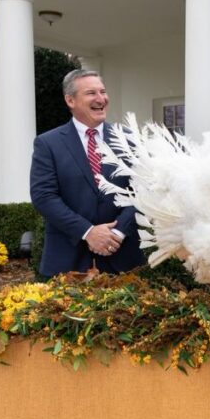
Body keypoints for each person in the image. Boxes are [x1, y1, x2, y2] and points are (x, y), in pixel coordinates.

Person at [30, 69, 142, 278]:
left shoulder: (129, 139)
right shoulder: (48, 143)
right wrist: (88, 232)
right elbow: (43, 197)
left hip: (123, 257)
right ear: (70, 100)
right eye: (91, 93)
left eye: (103, 91)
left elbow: (143, 190)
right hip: (67, 259)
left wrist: (117, 233)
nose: (101, 99)